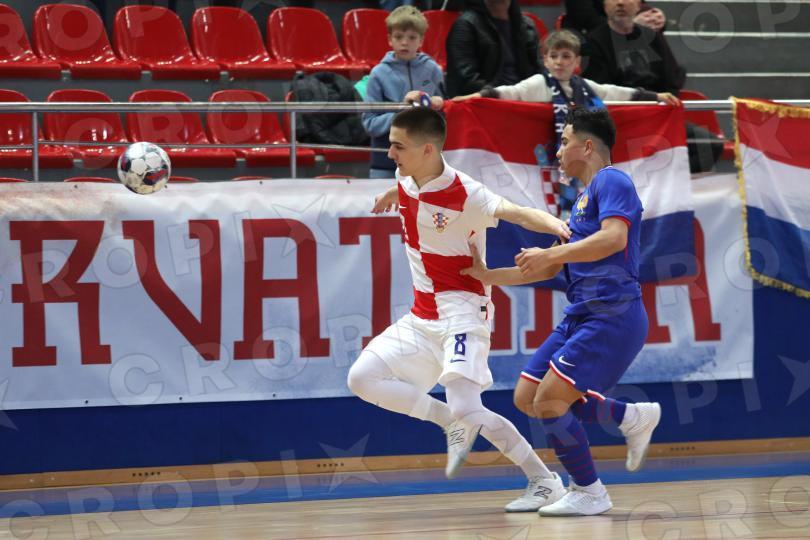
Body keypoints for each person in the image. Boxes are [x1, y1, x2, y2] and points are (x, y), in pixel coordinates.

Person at [347, 107, 572, 512]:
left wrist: (557, 226)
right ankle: (448, 421)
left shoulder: (467, 193)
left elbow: (518, 213)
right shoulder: (406, 176)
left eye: (398, 146)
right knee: (362, 378)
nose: (390, 153)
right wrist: (391, 194)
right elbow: (407, 189)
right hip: (422, 315)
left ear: (428, 150)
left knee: (469, 407)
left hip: (464, 311)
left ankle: (545, 481)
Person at [461, 108, 661, 516]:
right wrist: (485, 275)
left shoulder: (612, 180)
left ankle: (589, 491)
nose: (557, 151)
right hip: (580, 315)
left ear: (587, 147)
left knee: (551, 401)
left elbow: (614, 238)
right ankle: (630, 417)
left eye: (564, 141)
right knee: (527, 397)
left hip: (612, 312)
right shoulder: (582, 201)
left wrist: (551, 253)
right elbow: (546, 267)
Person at [452, 30, 679, 216]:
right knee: (551, 210)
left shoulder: (585, 87)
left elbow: (616, 92)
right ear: (545, 60)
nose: (559, 62)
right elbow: (510, 92)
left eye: (566, 56)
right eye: (554, 56)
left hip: (582, 162)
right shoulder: (538, 83)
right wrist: (477, 96)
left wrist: (656, 96)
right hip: (546, 164)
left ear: (577, 61)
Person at [583, 0, 723, 173]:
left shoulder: (652, 36)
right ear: (604, 5)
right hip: (620, 118)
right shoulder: (594, 41)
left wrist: (663, 109)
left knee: (710, 146)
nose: (620, 3)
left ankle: (669, 180)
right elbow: (600, 90)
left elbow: (672, 79)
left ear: (639, 5)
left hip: (658, 114)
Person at [362, 6, 445, 179]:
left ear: (421, 40)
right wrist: (402, 109)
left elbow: (445, 120)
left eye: (412, 37)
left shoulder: (433, 70)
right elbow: (370, 124)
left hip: (426, 165)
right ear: (389, 39)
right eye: (399, 37)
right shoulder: (378, 74)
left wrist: (440, 105)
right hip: (385, 164)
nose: (405, 42)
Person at [445, 0, 542, 98]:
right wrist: (499, 94)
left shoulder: (526, 25)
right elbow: (465, 80)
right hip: (487, 99)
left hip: (523, 98)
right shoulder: (465, 25)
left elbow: (539, 70)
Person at [563, 0, 665, 36]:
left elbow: (640, 6)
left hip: (628, 36)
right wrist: (629, 24)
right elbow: (588, 19)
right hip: (591, 36)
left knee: (654, 37)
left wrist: (655, 17)